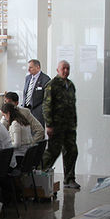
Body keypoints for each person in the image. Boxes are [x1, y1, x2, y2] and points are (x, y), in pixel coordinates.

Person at [42, 60, 80, 189]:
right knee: (53, 152)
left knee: (72, 151)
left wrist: (74, 123)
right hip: (56, 126)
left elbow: (72, 106)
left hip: (69, 126)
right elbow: (47, 106)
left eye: (68, 68)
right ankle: (39, 172)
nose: (66, 71)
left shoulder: (70, 85)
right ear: (58, 70)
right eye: (63, 68)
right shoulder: (52, 85)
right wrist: (49, 125)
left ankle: (69, 179)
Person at [22, 59, 51, 125]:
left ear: (38, 67)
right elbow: (25, 93)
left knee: (37, 130)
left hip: (38, 113)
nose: (28, 70)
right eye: (28, 67)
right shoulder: (28, 78)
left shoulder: (46, 79)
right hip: (26, 111)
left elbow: (47, 98)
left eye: (31, 67)